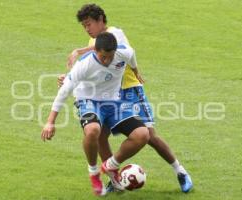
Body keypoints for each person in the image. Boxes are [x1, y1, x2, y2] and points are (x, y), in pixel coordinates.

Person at [60, 4, 193, 193]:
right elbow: (90, 68)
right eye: (84, 26)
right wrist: (67, 78)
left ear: (100, 20)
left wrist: (79, 50)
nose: (87, 29)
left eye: (88, 24)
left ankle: (180, 172)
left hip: (130, 90)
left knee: (149, 136)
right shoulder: (94, 41)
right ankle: (114, 179)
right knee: (100, 137)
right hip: (108, 95)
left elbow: (116, 49)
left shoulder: (115, 33)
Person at [41, 32, 150, 196]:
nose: (106, 61)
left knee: (143, 134)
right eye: (102, 57)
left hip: (114, 101)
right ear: (95, 51)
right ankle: (94, 173)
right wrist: (50, 122)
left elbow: (132, 55)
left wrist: (136, 71)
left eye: (110, 57)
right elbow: (63, 92)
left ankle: (109, 165)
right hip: (89, 101)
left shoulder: (123, 52)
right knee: (92, 130)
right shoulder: (84, 64)